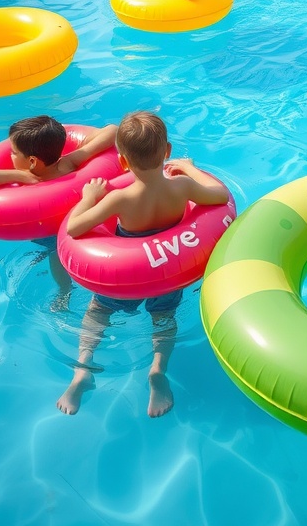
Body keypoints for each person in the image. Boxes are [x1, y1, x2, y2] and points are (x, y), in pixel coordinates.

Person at [56, 110, 229, 419]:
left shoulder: (119, 199)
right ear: (167, 152)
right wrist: (191, 169)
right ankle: (158, 370)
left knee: (98, 310)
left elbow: (74, 228)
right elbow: (219, 196)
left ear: (123, 162)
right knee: (164, 316)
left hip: (124, 276)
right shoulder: (182, 188)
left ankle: (83, 368)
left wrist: (89, 196)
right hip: (167, 272)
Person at [0, 116, 118, 307]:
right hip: (73, 220)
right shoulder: (69, 163)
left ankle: (64, 292)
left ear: (33, 161)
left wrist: (18, 176)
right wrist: (21, 173)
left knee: (55, 253)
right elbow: (112, 129)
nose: (10, 157)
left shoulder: (56, 168)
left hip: (49, 231)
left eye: (13, 153)